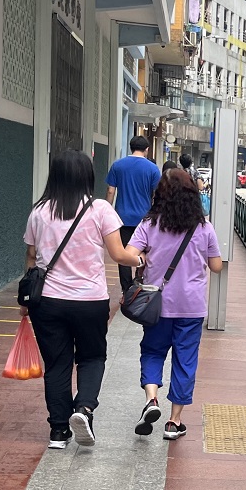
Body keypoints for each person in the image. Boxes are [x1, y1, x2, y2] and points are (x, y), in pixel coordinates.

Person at [23, 149, 144, 449]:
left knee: (57, 364)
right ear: (87, 176)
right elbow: (119, 254)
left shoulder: (39, 211)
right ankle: (84, 408)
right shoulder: (100, 209)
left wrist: (26, 302)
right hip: (90, 301)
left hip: (47, 301)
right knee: (91, 357)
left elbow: (31, 257)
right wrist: (139, 260)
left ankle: (58, 431)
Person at [130, 169, 224, 440]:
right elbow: (216, 266)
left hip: (157, 304)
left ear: (160, 194)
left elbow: (130, 253)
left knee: (152, 351)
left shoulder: (150, 224)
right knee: (185, 360)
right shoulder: (204, 228)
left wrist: (145, 258)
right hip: (191, 307)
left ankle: (151, 398)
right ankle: (174, 422)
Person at [105, 135, 164, 292]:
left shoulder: (117, 165)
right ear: (147, 149)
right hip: (145, 219)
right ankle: (142, 285)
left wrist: (107, 210)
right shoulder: (152, 169)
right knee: (147, 253)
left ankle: (126, 290)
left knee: (123, 253)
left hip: (122, 218)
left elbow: (110, 191)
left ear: (131, 148)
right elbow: (158, 194)